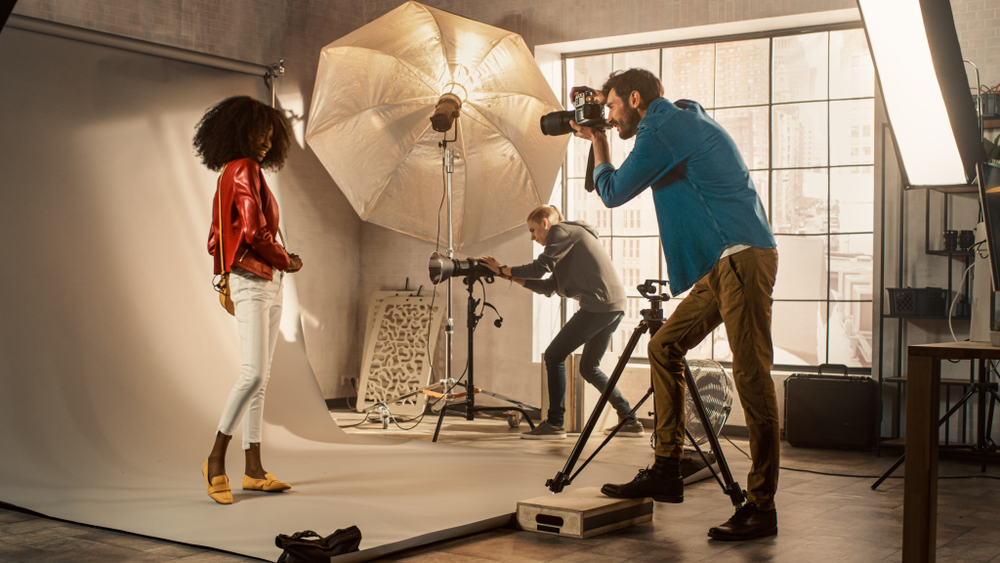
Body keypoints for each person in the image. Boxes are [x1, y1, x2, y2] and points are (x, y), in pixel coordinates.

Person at [570, 69, 779, 541]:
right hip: (726, 263)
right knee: (664, 346)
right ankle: (668, 465)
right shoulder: (678, 118)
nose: (610, 115)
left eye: (614, 106)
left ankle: (761, 507)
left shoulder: (661, 127)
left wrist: (599, 139)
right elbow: (642, 140)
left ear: (637, 98)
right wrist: (605, 114)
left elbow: (613, 191)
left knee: (751, 376)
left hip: (741, 257)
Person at [193, 95, 304, 505]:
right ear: (240, 131)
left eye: (270, 135)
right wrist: (286, 260)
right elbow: (256, 233)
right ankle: (215, 457)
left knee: (261, 379)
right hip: (256, 279)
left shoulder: (234, 171)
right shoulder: (244, 168)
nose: (263, 141)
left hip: (264, 281)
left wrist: (279, 265)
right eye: (259, 133)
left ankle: (254, 469)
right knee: (253, 374)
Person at [480, 205, 643, 440]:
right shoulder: (569, 241)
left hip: (598, 305)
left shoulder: (559, 232)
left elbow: (538, 269)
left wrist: (502, 268)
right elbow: (548, 286)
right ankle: (629, 419)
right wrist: (507, 275)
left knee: (553, 355)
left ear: (545, 223)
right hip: (612, 305)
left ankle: (555, 423)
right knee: (589, 368)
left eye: (533, 230)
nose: (533, 237)